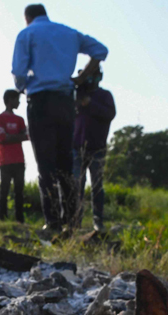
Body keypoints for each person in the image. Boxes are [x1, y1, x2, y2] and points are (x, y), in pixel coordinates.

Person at [12, 4, 108, 233]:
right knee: (65, 161)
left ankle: (53, 221)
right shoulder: (68, 32)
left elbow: (18, 72)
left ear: (28, 18)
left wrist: (23, 87)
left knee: (45, 164)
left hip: (40, 101)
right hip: (65, 102)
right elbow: (100, 51)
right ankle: (72, 221)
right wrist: (83, 76)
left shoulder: (27, 34)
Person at [72, 67, 116, 230]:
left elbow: (110, 114)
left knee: (97, 186)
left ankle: (98, 221)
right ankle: (75, 221)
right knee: (77, 186)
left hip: (97, 148)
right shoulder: (76, 95)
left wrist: (90, 104)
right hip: (77, 147)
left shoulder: (105, 96)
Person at [0, 90, 28, 223]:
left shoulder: (20, 119)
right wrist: (17, 137)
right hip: (5, 161)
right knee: (4, 191)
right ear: (10, 100)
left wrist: (10, 136)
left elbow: (26, 136)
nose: (19, 102)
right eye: (16, 99)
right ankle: (2, 218)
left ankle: (19, 219)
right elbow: (2, 138)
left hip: (19, 160)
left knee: (19, 192)